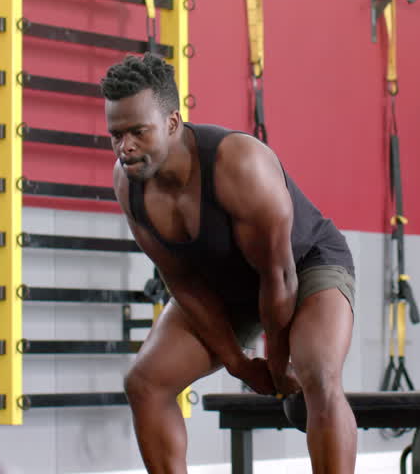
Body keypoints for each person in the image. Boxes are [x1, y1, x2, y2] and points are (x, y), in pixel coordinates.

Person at [101, 53, 357, 474]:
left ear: (172, 123)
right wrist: (239, 364)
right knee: (145, 384)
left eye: (138, 132)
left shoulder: (238, 162)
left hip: (305, 264)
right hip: (225, 285)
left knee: (317, 372)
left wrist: (277, 361)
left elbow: (278, 275)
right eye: (116, 135)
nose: (125, 147)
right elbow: (182, 282)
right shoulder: (128, 184)